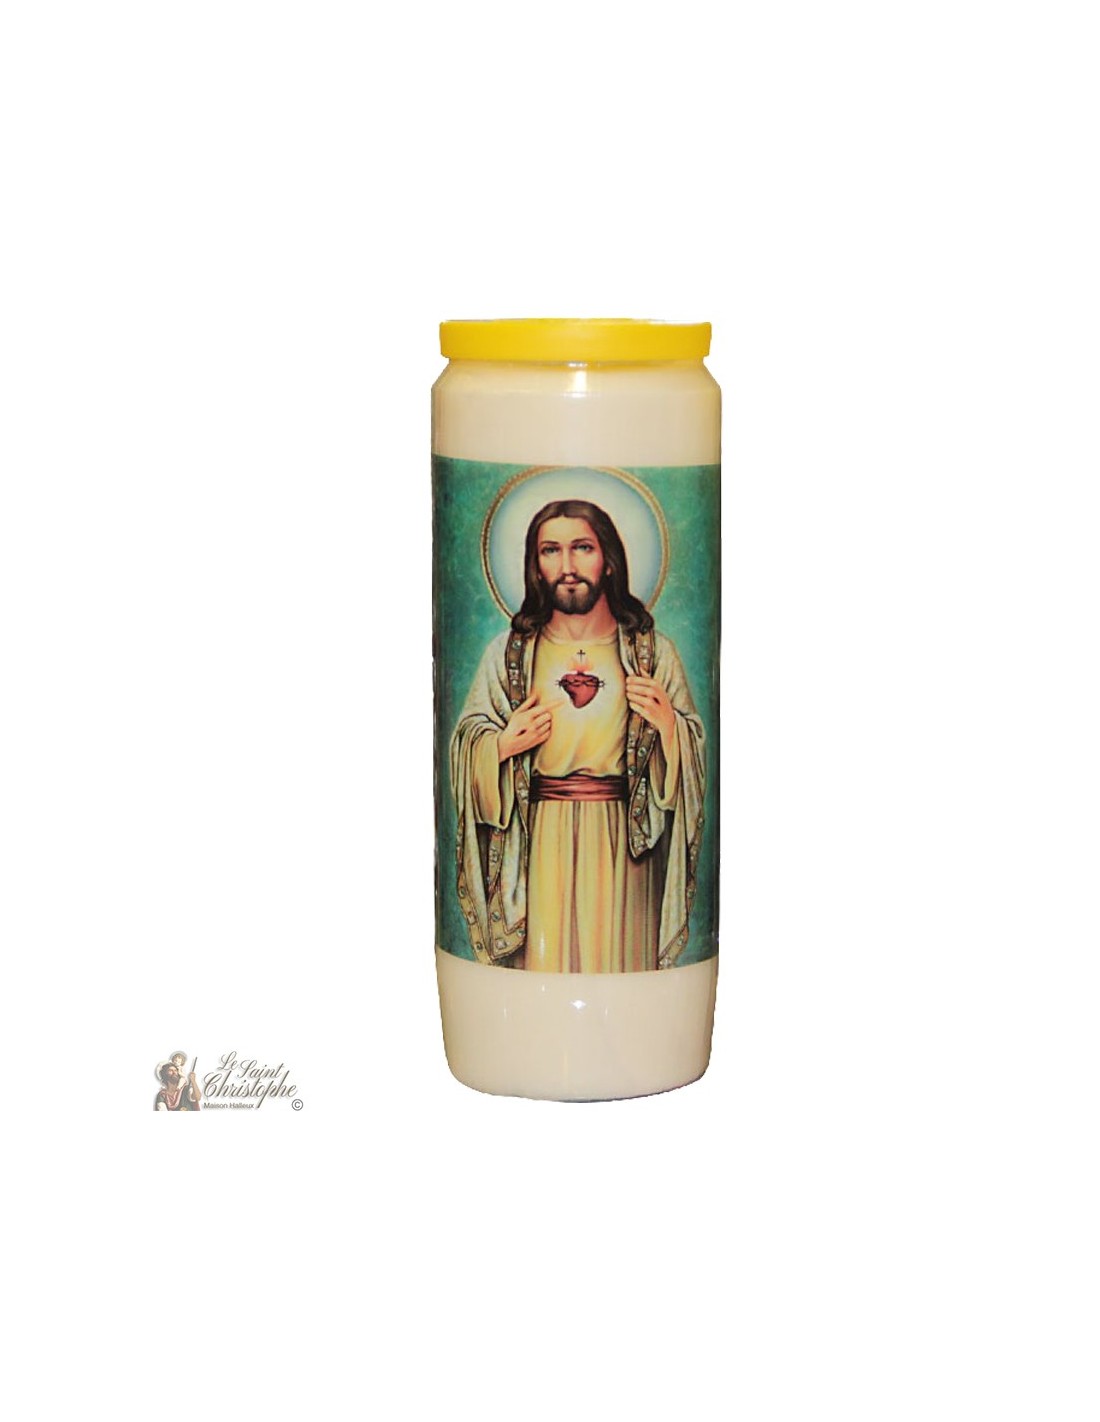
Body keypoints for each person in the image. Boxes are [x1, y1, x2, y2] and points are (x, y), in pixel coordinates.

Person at [451, 498, 705, 972]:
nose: (567, 567)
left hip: (625, 849)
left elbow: (693, 758)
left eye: (582, 548)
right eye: (551, 551)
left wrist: (670, 728)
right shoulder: (509, 655)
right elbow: (467, 738)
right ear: (536, 565)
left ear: (608, 559)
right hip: (540, 845)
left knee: (622, 967)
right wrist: (501, 746)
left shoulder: (653, 655)